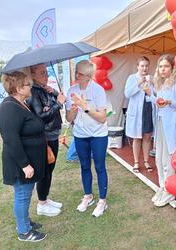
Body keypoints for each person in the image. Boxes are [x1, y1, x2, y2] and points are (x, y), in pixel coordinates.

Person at [0, 71, 47, 242]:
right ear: (18, 88)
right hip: (20, 162)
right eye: (28, 84)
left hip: (29, 158)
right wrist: (25, 165)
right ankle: (24, 232)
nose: (30, 87)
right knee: (22, 195)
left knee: (25, 193)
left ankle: (25, 222)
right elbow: (11, 139)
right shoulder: (9, 107)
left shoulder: (21, 103)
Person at [66, 60, 109, 217]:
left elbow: (102, 118)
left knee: (99, 167)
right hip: (80, 135)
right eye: (76, 72)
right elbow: (69, 118)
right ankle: (88, 196)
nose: (77, 76)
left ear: (89, 76)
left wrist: (85, 107)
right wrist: (73, 109)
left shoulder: (98, 91)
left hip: (98, 135)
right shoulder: (72, 90)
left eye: (81, 74)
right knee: (84, 166)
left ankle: (102, 201)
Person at [27, 64, 66, 217]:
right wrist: (58, 103)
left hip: (52, 135)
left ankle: (45, 199)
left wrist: (55, 93)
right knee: (45, 171)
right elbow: (41, 117)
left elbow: (50, 106)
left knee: (49, 170)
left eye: (46, 73)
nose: (46, 76)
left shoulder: (43, 88)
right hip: (44, 137)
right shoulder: (33, 92)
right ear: (32, 75)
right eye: (42, 73)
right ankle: (42, 204)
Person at [150, 54, 176, 207]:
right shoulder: (159, 83)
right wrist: (152, 97)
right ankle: (163, 186)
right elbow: (158, 103)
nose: (162, 69)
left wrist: (170, 102)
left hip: (172, 124)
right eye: (160, 66)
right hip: (160, 123)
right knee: (159, 158)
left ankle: (170, 190)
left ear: (172, 67)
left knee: (169, 159)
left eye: (166, 66)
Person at [124, 56, 154, 173]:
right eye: (142, 66)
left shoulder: (151, 78)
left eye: (146, 65)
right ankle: (136, 162)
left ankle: (146, 161)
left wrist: (151, 83)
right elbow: (127, 93)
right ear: (138, 66)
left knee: (147, 137)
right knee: (137, 138)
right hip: (136, 112)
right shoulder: (132, 78)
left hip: (148, 110)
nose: (144, 68)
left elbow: (155, 92)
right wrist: (139, 82)